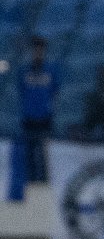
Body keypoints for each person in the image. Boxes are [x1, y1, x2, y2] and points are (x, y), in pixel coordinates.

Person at [15, 35, 59, 183]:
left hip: (45, 118)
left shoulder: (51, 71)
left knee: (45, 157)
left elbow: (54, 91)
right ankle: (31, 185)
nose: (38, 53)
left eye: (40, 50)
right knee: (30, 158)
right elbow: (21, 90)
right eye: (35, 50)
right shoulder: (24, 71)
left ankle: (44, 186)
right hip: (29, 118)